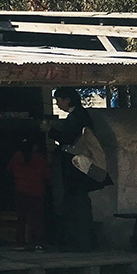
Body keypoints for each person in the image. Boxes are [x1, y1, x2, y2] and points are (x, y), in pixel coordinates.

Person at [41, 86, 94, 250]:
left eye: (58, 100)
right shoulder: (79, 115)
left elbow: (68, 139)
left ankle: (79, 241)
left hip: (76, 165)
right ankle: (79, 241)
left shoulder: (77, 116)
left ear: (67, 100)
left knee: (75, 202)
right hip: (79, 165)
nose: (57, 104)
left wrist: (50, 130)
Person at [7, 135, 51, 250]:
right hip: (37, 192)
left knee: (21, 218)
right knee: (37, 219)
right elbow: (47, 175)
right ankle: (37, 243)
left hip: (20, 191)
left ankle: (20, 243)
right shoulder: (40, 159)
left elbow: (9, 170)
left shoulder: (17, 156)